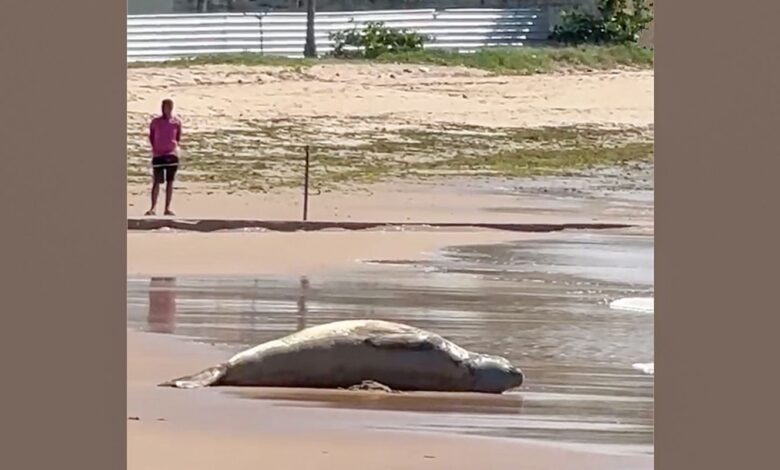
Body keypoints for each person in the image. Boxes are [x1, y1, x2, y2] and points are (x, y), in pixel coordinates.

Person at [146, 98, 182, 216]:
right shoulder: (155, 122)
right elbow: (151, 136)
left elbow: (177, 137)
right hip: (158, 155)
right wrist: (156, 148)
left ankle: (167, 208)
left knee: (170, 182)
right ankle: (153, 208)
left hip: (171, 155)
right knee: (156, 181)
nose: (165, 109)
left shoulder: (176, 122)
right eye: (164, 107)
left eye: (167, 107)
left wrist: (172, 148)